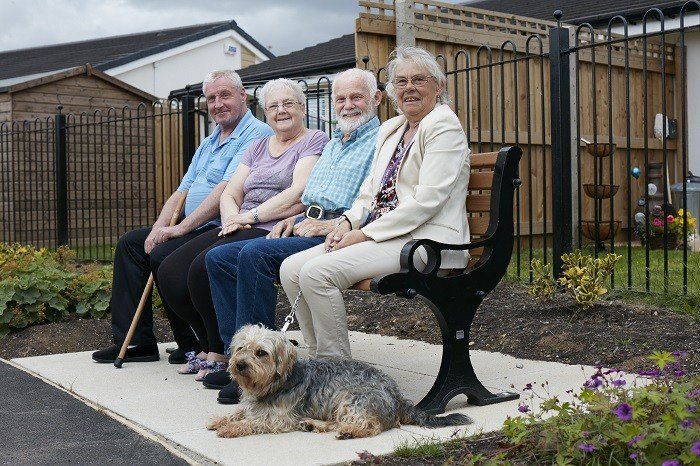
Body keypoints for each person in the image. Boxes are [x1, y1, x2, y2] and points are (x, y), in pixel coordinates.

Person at [203, 68, 382, 403]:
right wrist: (297, 217)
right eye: (340, 99)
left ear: (376, 99)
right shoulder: (336, 143)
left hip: (338, 232)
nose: (347, 105)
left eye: (355, 97)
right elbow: (311, 196)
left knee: (253, 254)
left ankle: (260, 365)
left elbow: (372, 201)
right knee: (219, 256)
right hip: (305, 224)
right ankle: (237, 361)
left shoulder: (380, 141)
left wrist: (332, 224)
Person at [280, 46, 471, 359]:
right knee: (291, 268)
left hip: (425, 241)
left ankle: (335, 368)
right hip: (386, 234)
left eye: (419, 80)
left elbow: (428, 200)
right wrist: (347, 223)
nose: (409, 88)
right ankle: (316, 360)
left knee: (316, 273)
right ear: (393, 90)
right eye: (401, 81)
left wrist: (363, 234)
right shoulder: (392, 128)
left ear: (439, 86)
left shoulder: (443, 125)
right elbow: (369, 192)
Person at [91, 69, 274, 364]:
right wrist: (159, 228)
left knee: (164, 254)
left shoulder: (256, 135)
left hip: (222, 223)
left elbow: (226, 191)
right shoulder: (209, 142)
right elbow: (181, 192)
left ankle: (193, 343)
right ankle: (138, 343)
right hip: (191, 224)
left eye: (225, 95)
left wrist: (180, 229)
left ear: (243, 96)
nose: (217, 104)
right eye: (211, 98)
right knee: (133, 244)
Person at [159, 78, 328, 380]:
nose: (281, 111)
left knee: (206, 264)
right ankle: (221, 348)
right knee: (173, 270)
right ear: (265, 112)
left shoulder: (313, 140)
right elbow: (230, 192)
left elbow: (299, 192)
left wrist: (249, 216)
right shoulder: (257, 146)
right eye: (273, 106)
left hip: (273, 227)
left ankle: (227, 354)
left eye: (288, 104)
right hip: (242, 221)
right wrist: (231, 218)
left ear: (302, 108)